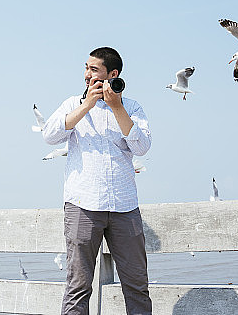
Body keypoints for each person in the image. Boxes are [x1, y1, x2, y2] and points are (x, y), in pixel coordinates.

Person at [43, 47, 152, 315]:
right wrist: (86, 106)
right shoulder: (73, 103)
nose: (86, 74)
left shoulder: (132, 107)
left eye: (93, 69)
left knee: (137, 284)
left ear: (112, 74)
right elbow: (50, 135)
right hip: (83, 204)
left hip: (125, 206)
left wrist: (116, 107)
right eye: (86, 68)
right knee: (78, 286)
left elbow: (142, 147)